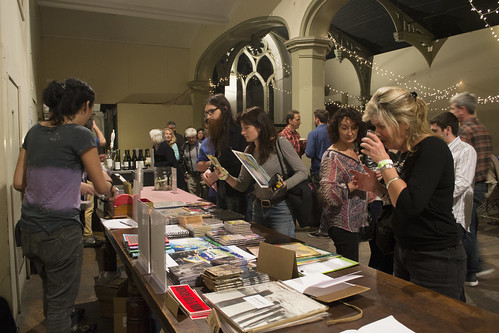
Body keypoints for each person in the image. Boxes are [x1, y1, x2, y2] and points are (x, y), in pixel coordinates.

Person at [13, 79, 117, 332]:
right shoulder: (80, 134)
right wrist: (107, 182)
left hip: (30, 231)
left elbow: (19, 182)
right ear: (85, 105)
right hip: (59, 233)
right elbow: (102, 187)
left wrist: (74, 184)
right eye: (91, 109)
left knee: (51, 294)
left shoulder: (34, 131)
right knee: (61, 306)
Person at [351, 86, 466, 300]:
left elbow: (410, 205)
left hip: (435, 255)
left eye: (381, 126)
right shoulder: (407, 152)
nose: (377, 133)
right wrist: (375, 188)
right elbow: (399, 199)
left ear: (403, 122)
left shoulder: (431, 148)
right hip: (407, 250)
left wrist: (384, 161)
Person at [214, 107, 307, 237]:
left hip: (280, 209)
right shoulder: (249, 150)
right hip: (257, 209)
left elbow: (302, 172)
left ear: (260, 126)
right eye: (242, 128)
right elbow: (241, 184)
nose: (242, 132)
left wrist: (284, 184)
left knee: (283, 251)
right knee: (260, 251)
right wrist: (226, 176)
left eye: (246, 128)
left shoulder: (280, 144)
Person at [430, 111, 476, 300]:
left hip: (455, 217)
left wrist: (432, 196)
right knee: (442, 271)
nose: (431, 135)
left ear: (447, 130)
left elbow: (462, 183)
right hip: (439, 216)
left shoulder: (465, 151)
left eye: (434, 131)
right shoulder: (439, 150)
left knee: (452, 272)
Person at [449, 91, 494, 286]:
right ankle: (475, 266)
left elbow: (462, 162)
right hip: (481, 184)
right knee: (471, 226)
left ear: (462, 109)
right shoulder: (483, 127)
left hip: (469, 186)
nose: (452, 111)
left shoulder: (465, 130)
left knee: (466, 227)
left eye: (453, 108)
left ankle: (471, 271)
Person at [318, 107, 368, 261]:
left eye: (354, 128)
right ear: (336, 129)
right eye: (344, 128)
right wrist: (352, 186)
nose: (350, 132)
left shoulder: (352, 150)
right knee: (349, 269)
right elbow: (327, 194)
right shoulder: (332, 155)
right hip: (341, 223)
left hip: (355, 222)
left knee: (351, 266)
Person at [197, 94, 249, 217]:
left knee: (236, 228)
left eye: (211, 112)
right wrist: (209, 171)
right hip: (221, 190)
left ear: (224, 109)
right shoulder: (218, 133)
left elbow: (242, 163)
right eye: (206, 113)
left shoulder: (238, 132)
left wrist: (216, 174)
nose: (209, 116)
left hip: (237, 191)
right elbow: (219, 159)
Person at [305, 109, 331, 238]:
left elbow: (309, 152)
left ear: (316, 119)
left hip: (318, 169)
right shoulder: (333, 132)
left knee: (321, 200)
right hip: (332, 169)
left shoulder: (313, 133)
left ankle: (323, 229)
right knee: (330, 198)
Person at [183, 127, 206, 197]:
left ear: (196, 137)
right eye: (189, 138)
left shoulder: (202, 145)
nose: (191, 139)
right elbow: (183, 161)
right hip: (191, 174)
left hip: (202, 174)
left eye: (193, 137)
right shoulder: (184, 147)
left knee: (205, 193)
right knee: (192, 195)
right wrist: (186, 172)